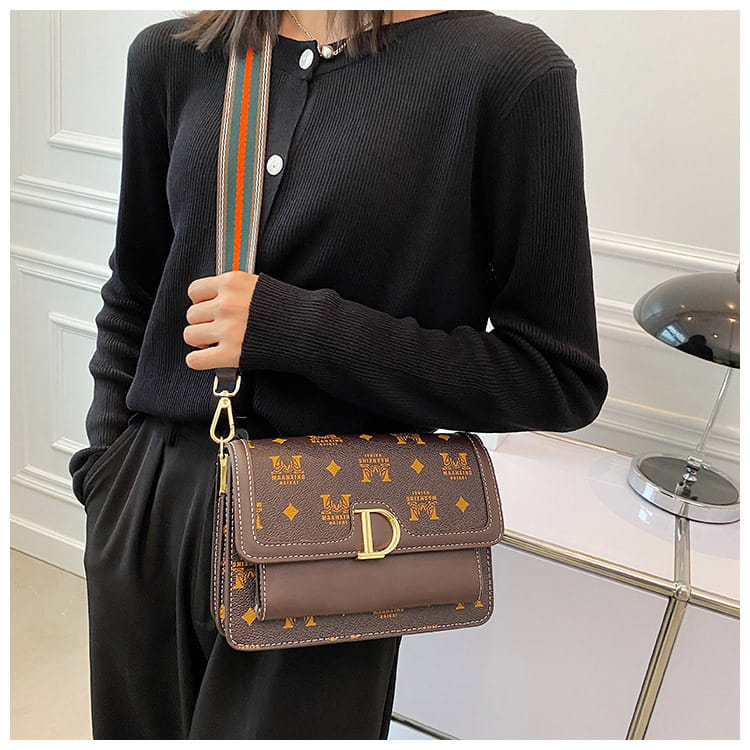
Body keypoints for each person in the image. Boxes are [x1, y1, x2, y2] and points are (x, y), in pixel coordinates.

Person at [68, 9, 608, 740]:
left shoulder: (507, 72)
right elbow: (135, 286)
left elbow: (555, 376)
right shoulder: (176, 55)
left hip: (340, 532)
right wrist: (105, 476)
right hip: (150, 503)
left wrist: (297, 328)